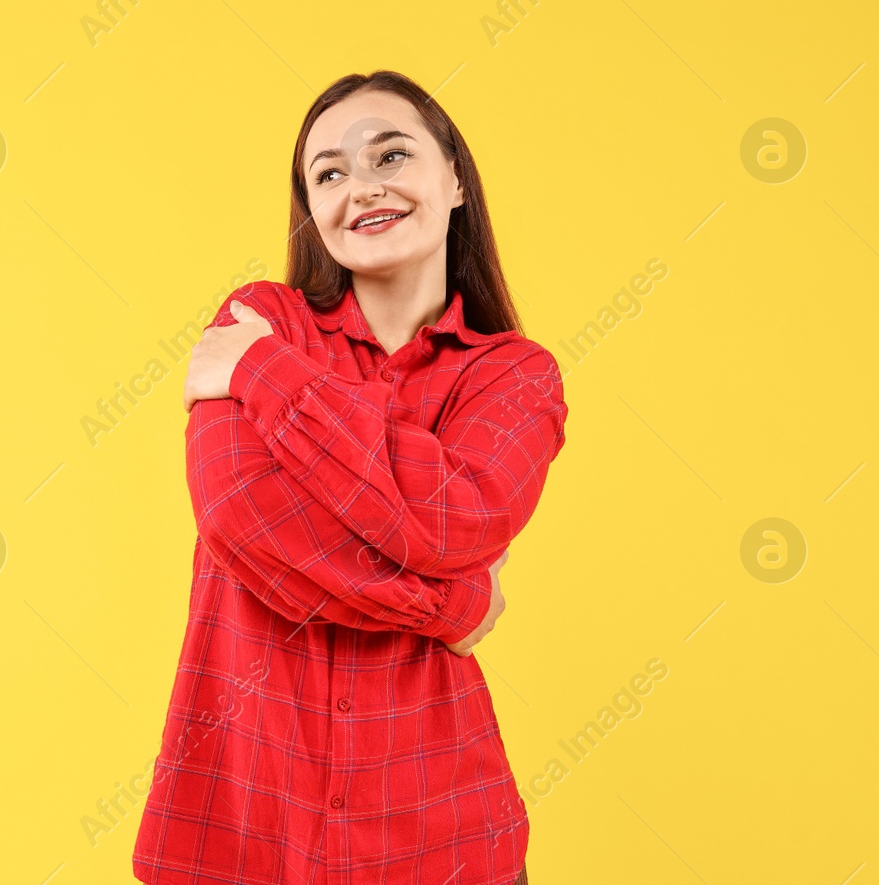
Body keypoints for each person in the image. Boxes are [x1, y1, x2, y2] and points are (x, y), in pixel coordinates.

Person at [132, 70, 568, 885]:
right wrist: (457, 599)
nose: (359, 188)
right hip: (242, 833)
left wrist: (266, 374)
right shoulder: (262, 315)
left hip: (441, 840)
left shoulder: (515, 377)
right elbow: (243, 524)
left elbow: (458, 521)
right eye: (327, 174)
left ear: (454, 179)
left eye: (390, 155)